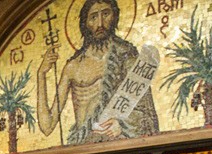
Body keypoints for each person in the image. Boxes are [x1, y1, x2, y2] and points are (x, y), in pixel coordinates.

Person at [36, 0, 159, 145]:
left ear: (115, 17)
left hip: (119, 144)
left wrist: (122, 125)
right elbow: (47, 126)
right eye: (93, 17)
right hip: (82, 147)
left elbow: (147, 112)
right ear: (85, 23)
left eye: (105, 14)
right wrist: (41, 74)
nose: (100, 23)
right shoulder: (73, 66)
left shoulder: (126, 56)